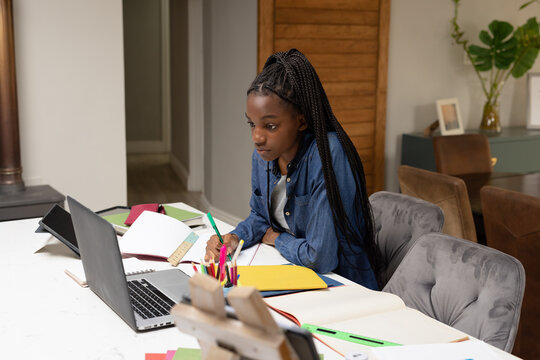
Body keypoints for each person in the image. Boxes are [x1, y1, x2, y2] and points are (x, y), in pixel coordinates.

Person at [205, 49, 381, 289]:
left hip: (344, 286)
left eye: (270, 125)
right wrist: (235, 238)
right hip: (296, 274)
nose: (257, 137)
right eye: (252, 124)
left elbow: (320, 257)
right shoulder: (263, 157)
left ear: (301, 121)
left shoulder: (327, 154)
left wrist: (277, 239)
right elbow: (260, 217)